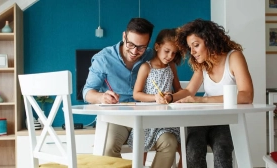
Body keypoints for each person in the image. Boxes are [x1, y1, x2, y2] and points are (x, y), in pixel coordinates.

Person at [82, 18, 178, 167]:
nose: (135, 52)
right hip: (118, 116)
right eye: (131, 44)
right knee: (108, 148)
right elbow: (87, 92)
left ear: (149, 43)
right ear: (124, 36)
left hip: (147, 118)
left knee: (169, 143)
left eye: (141, 47)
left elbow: (170, 62)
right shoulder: (103, 58)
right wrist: (102, 96)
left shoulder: (153, 55)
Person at [175, 19, 254, 168]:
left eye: (196, 45)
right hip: (202, 119)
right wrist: (170, 97)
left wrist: (202, 100)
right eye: (190, 47)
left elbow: (247, 95)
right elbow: (188, 91)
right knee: (192, 151)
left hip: (225, 121)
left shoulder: (234, 57)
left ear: (209, 40)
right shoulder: (202, 63)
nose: (192, 52)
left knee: (222, 150)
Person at [129, 28, 185, 167]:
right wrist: (155, 97)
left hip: (168, 118)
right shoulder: (146, 67)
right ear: (157, 46)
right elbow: (136, 94)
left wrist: (172, 96)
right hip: (148, 117)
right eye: (167, 51)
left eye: (174, 53)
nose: (170, 56)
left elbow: (178, 89)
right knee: (141, 148)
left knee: (184, 147)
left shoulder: (171, 66)